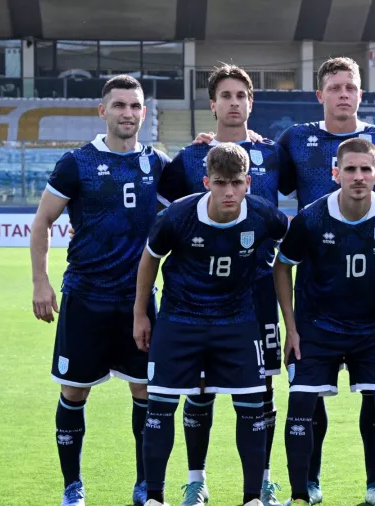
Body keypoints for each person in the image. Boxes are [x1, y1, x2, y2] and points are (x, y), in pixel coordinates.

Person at [30, 75, 170, 506]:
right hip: (86, 298)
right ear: (103, 111)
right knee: (74, 392)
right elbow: (41, 223)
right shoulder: (77, 162)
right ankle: (73, 486)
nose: (128, 113)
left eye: (135, 106)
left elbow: (200, 193)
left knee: (145, 392)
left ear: (143, 113)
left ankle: (145, 485)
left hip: (139, 304)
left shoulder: (160, 164)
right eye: (120, 105)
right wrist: (40, 281)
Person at [157, 64, 293, 506]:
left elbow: (283, 221)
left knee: (262, 388)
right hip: (198, 298)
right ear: (212, 104)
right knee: (199, 388)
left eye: (241, 95)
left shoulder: (273, 154)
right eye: (226, 95)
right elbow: (166, 223)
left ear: (251, 103)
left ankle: (263, 482)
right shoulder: (188, 159)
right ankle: (197, 481)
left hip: (256, 297)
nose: (234, 103)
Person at [273, 137, 375, 506]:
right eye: (350, 169)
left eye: (365, 170)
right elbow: (282, 267)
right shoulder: (312, 216)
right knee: (301, 405)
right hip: (317, 328)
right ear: (335, 173)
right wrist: (291, 328)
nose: (358, 177)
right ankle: (302, 492)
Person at [134, 143, 289, 506]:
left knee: (252, 405)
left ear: (248, 182)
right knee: (160, 407)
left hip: (236, 321)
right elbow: (149, 260)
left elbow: (296, 244)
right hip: (179, 320)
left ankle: (252, 497)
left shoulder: (264, 215)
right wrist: (141, 313)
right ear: (207, 182)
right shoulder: (177, 215)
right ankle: (155, 497)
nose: (229, 191)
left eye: (236, 182)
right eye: (220, 183)